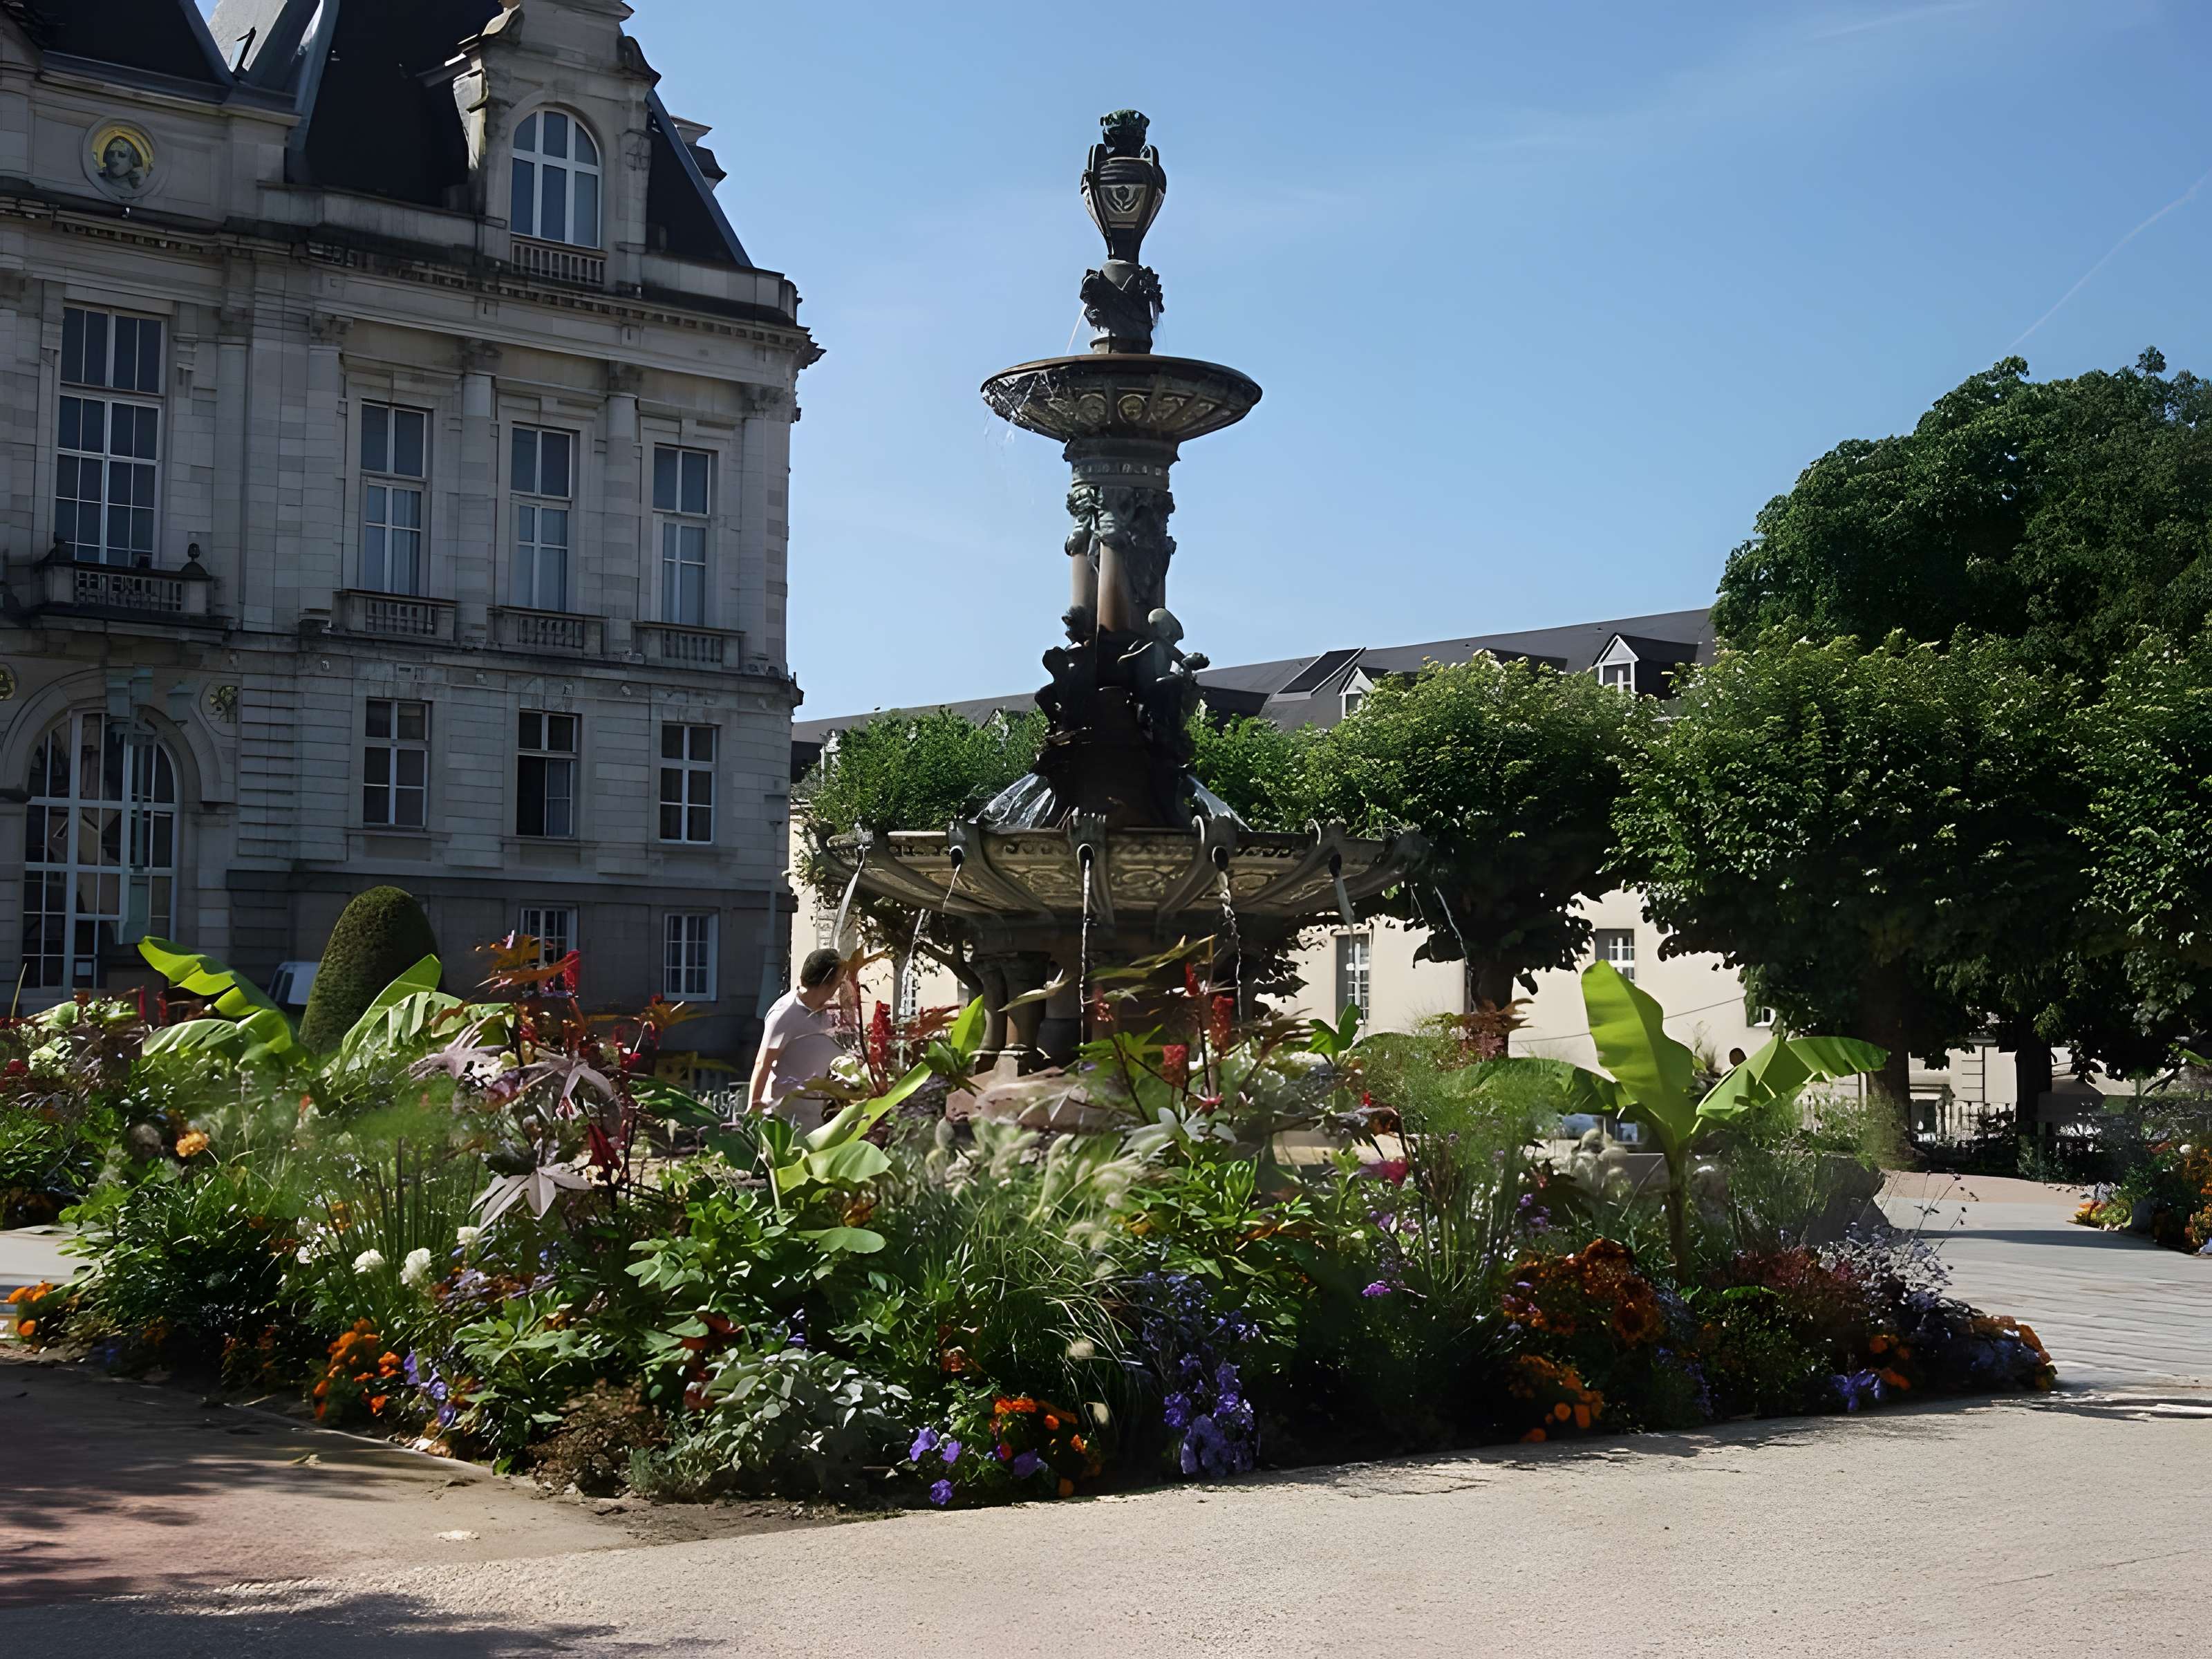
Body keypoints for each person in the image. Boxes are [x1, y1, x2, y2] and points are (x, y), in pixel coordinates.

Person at [749, 947, 849, 1125]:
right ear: (826, 983)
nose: (839, 987)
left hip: (815, 1114)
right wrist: (753, 1109)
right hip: (785, 1118)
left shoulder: (825, 1011)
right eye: (838, 982)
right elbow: (762, 1063)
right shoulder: (785, 1013)